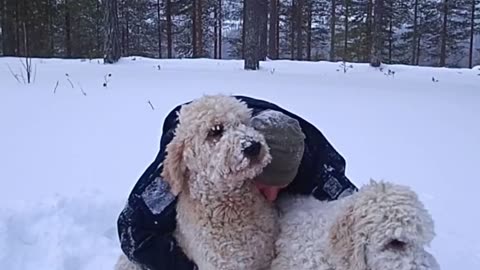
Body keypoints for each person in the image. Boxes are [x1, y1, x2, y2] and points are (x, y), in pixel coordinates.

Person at [116, 95, 358, 270]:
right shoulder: (180, 155)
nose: (272, 198)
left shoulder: (316, 160)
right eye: (260, 185)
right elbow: (131, 228)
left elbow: (353, 207)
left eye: (280, 187)